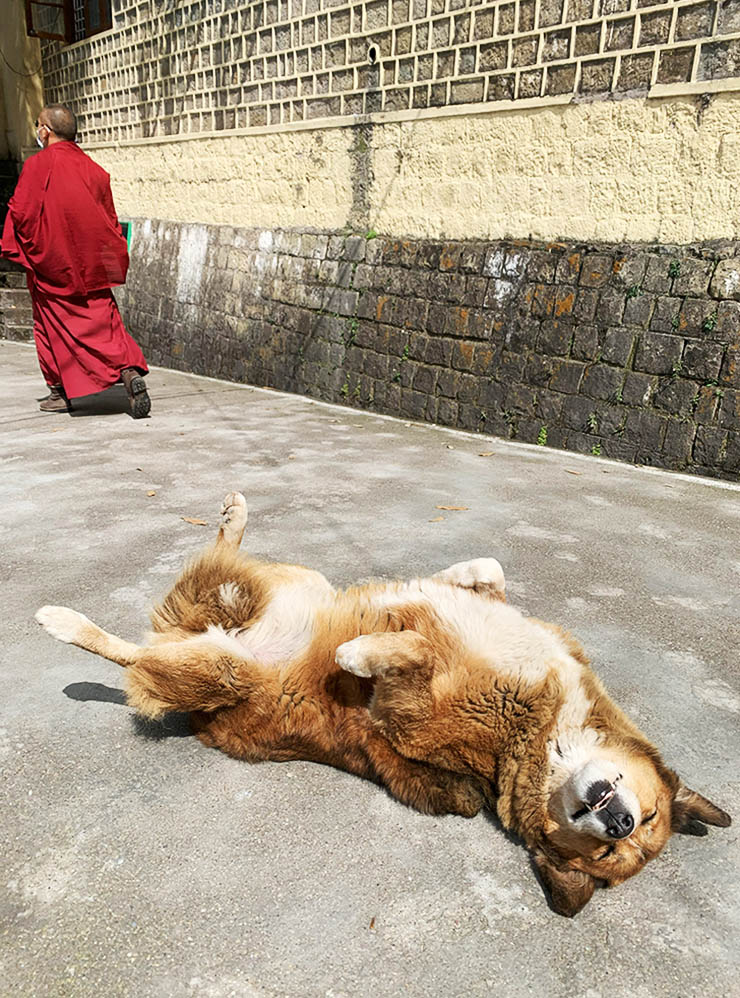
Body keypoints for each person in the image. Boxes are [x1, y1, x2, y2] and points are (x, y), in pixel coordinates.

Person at [0, 104, 151, 418]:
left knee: (50, 325)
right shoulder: (93, 168)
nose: (37, 131)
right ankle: (128, 371)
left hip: (52, 265)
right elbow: (108, 219)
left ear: (46, 130)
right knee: (105, 320)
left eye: (38, 125)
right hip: (91, 265)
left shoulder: (38, 165)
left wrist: (30, 250)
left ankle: (59, 391)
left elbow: (23, 213)